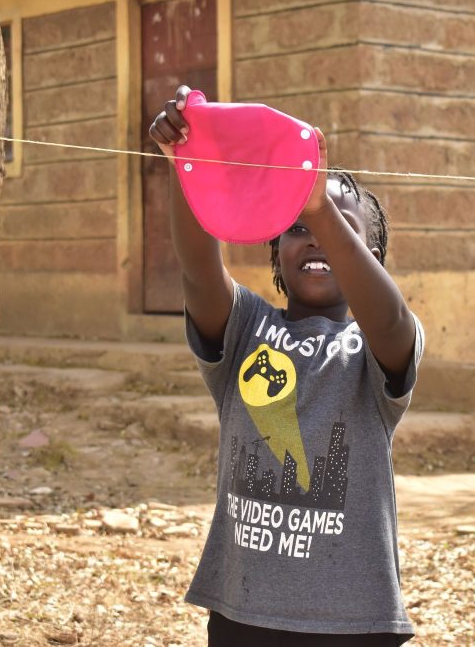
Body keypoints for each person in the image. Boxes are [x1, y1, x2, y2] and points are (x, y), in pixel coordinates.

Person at [149, 85, 424, 646]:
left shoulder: (375, 348)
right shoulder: (246, 329)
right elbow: (199, 269)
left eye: (339, 226)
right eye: (297, 227)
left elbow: (393, 321)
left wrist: (318, 206)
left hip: (353, 625)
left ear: (372, 257)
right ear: (275, 248)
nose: (315, 237)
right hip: (242, 614)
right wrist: (186, 162)